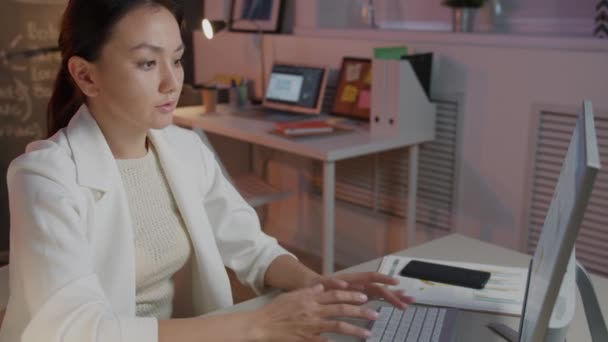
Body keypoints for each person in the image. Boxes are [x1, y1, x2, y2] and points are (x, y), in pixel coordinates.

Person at [0, 1, 414, 341]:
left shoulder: (184, 146)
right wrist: (256, 324)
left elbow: (251, 245)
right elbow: (75, 330)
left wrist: (315, 284)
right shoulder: (44, 178)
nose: (171, 82)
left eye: (177, 60)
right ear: (86, 75)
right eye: (147, 64)